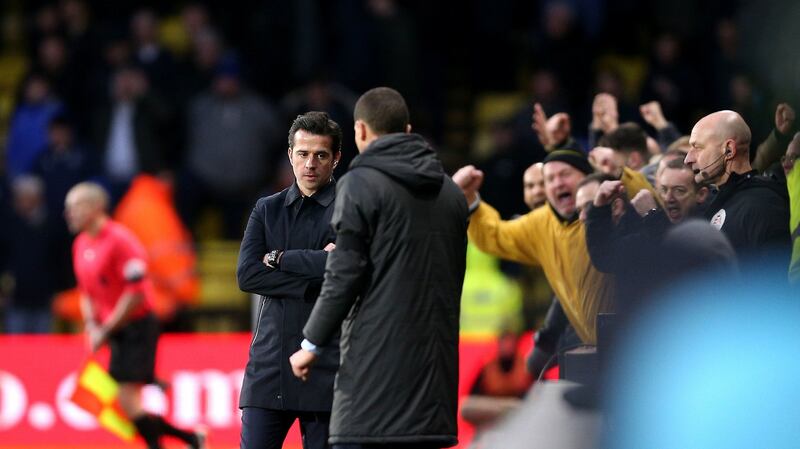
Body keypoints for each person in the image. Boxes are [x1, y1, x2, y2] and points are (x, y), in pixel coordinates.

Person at [289, 87, 468, 449]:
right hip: (434, 389)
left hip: (372, 387)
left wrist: (312, 341)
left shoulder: (359, 185)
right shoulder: (452, 193)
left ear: (360, 130)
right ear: (407, 130)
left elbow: (344, 272)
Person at [65, 182, 204, 449]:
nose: (69, 213)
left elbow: (136, 293)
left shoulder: (120, 240)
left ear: (96, 207)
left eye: (76, 206)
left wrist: (105, 328)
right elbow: (86, 291)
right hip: (113, 329)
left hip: (137, 325)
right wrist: (92, 325)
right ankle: (191, 438)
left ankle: (176, 438)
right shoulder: (81, 244)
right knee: (126, 403)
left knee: (127, 400)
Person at [236, 111, 342, 449]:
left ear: (336, 159)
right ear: (290, 155)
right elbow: (247, 275)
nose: (310, 163)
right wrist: (313, 281)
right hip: (270, 365)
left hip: (328, 367)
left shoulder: (349, 209)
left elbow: (344, 269)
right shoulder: (267, 209)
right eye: (303, 153)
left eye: (320, 155)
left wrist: (280, 259)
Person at [684, 110, 790, 264]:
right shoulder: (720, 199)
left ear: (729, 150)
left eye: (697, 147)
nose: (688, 159)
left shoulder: (763, 205)